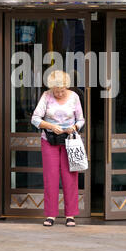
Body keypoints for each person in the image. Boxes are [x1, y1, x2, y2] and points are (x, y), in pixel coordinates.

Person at [31, 70, 85, 227]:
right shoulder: (46, 96)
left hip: (69, 140)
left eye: (62, 90)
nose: (59, 93)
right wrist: (51, 126)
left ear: (66, 86)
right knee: (51, 177)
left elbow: (81, 119)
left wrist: (74, 127)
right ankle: (51, 215)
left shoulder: (74, 97)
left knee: (70, 176)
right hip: (49, 139)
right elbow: (35, 119)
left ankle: (70, 215)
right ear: (51, 88)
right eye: (56, 91)